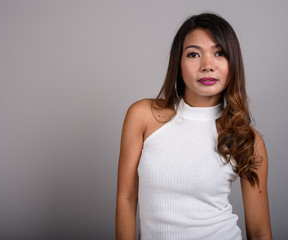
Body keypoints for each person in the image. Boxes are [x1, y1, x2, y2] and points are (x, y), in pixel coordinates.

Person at [115, 13, 272, 240]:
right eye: (194, 54)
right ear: (178, 65)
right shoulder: (142, 116)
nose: (207, 65)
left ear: (233, 63)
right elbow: (126, 198)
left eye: (219, 53)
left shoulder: (247, 139)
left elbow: (260, 233)